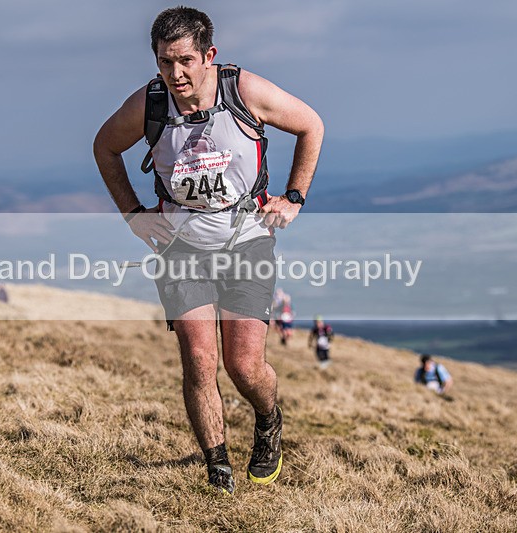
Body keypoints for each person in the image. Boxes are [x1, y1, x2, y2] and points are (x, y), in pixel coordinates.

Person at [93, 7, 324, 494]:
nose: (174, 74)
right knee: (199, 360)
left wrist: (295, 197)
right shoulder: (150, 103)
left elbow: (311, 126)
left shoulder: (244, 92)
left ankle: (268, 417)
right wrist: (133, 213)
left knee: (244, 367)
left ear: (208, 56)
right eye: (163, 62)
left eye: (184, 61)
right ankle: (218, 471)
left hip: (247, 241)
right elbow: (104, 147)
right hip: (181, 245)